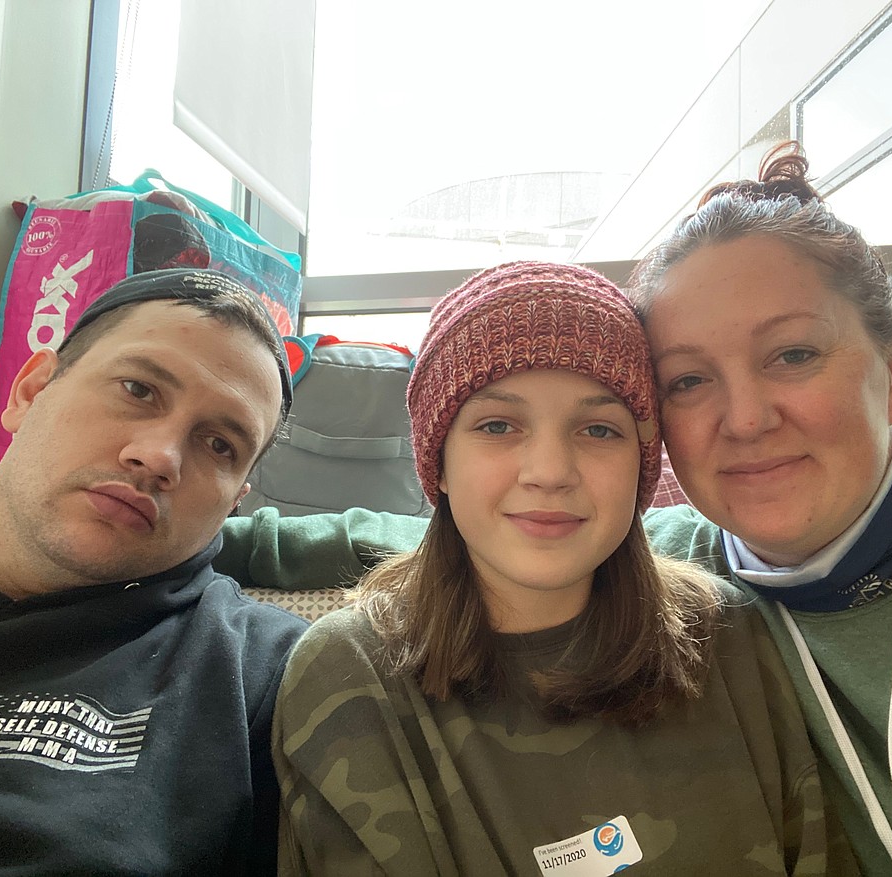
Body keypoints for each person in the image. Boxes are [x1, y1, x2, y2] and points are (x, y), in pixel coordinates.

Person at [218, 144, 892, 875]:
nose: (747, 417)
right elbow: (435, 538)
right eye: (689, 378)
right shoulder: (690, 554)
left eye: (793, 354)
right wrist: (204, 533)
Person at [269, 261, 856, 875]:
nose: (549, 470)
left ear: (641, 465)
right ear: (438, 464)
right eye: (498, 426)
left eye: (599, 429)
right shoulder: (352, 678)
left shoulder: (731, 638)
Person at [0, 268, 309, 874]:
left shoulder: (261, 675)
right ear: (30, 391)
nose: (158, 457)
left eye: (219, 446)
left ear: (233, 503)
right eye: (138, 389)